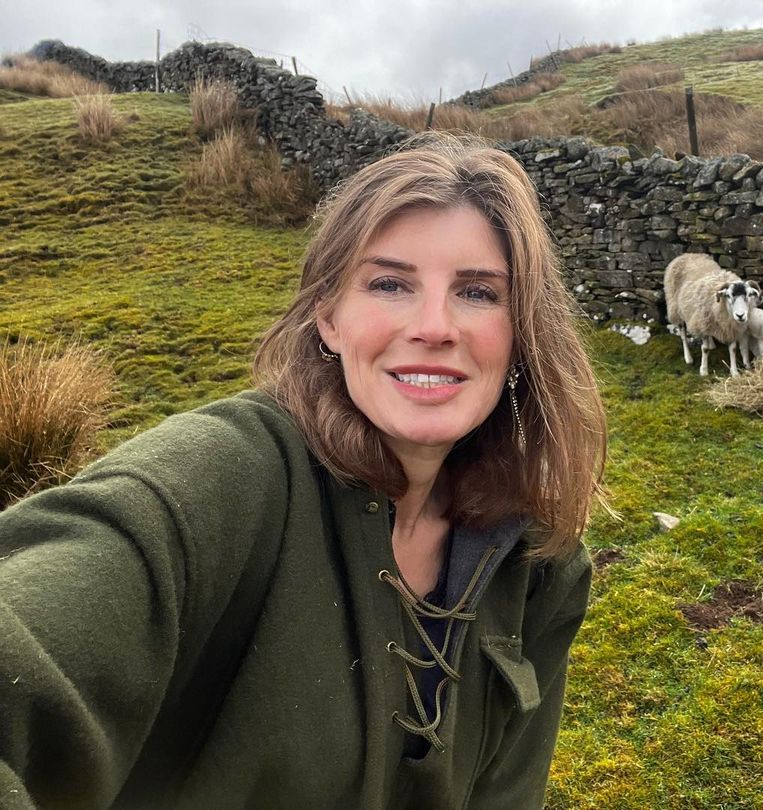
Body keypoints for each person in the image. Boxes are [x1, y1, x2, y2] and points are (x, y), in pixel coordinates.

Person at [0, 133, 607, 809]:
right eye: (389, 283)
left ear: (521, 329)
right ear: (328, 316)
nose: (436, 326)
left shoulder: (540, 563)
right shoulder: (225, 478)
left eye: (477, 292)